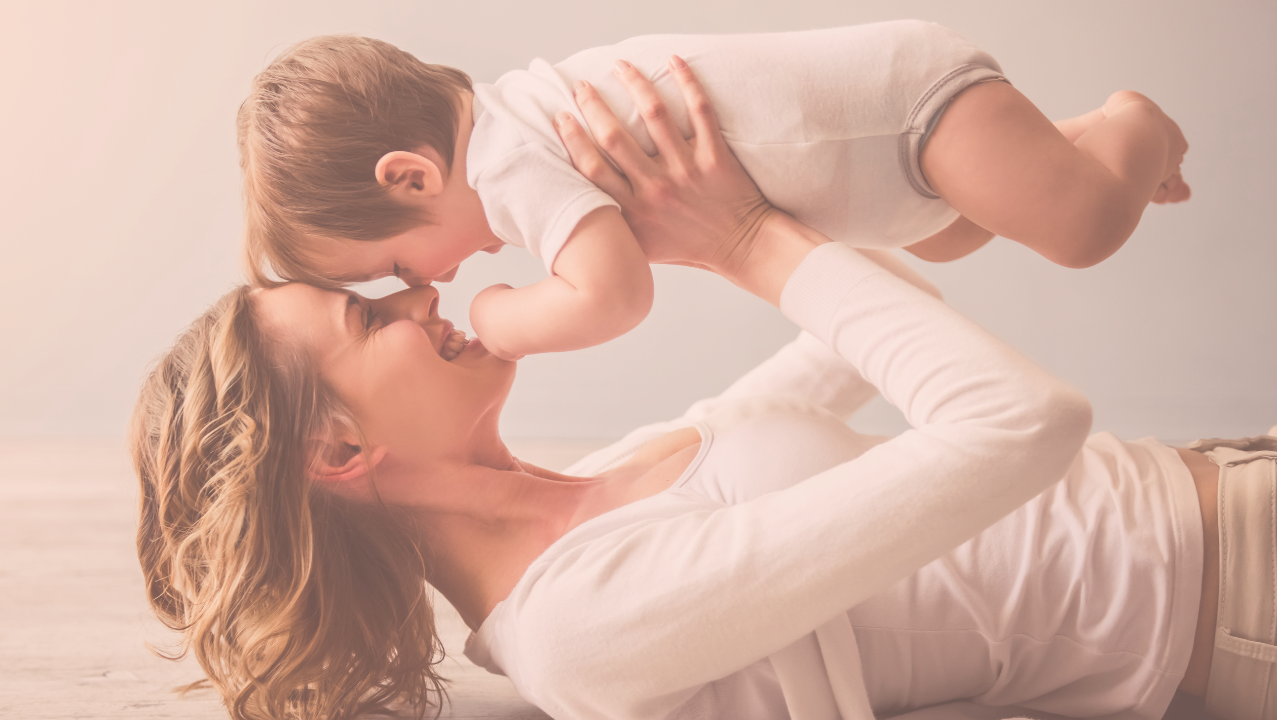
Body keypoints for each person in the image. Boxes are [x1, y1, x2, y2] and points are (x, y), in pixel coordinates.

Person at [130, 65, 1268, 720]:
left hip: (1225, 477)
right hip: (1238, 600)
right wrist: (743, 241)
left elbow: (879, 305)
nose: (427, 298)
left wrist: (663, 206)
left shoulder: (597, 477)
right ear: (337, 455)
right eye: (371, 318)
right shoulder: (578, 621)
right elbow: (1022, 423)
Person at [235, 20, 1190, 361]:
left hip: (907, 114)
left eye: (400, 261)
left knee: (1080, 230)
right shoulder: (516, 124)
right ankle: (1060, 142)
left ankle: (1128, 125)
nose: (431, 282)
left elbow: (614, 295)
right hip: (892, 173)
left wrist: (502, 317)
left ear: (412, 175)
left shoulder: (506, 159)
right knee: (959, 232)